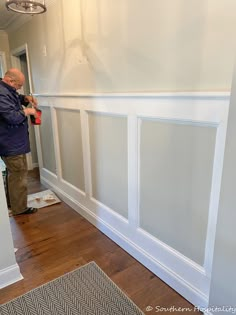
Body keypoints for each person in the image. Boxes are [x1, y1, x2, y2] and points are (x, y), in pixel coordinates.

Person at [0, 68, 39, 215]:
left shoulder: (6, 89)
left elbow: (14, 97)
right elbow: (12, 117)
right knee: (19, 174)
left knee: (14, 174)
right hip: (10, 142)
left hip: (12, 141)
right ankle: (19, 209)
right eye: (19, 85)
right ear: (10, 80)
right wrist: (27, 111)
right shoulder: (1, 93)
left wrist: (25, 98)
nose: (19, 88)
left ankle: (11, 203)